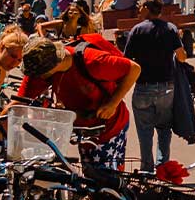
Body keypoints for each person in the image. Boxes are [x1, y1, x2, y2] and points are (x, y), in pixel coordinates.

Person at [15, 34, 141, 172]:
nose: (37, 78)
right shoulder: (40, 66)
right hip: (84, 130)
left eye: (40, 74)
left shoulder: (92, 61)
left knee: (106, 177)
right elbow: (18, 104)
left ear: (52, 67)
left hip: (110, 127)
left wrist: (112, 103)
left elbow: (134, 69)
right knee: (90, 174)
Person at [122, 0, 188, 171]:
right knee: (164, 128)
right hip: (166, 88)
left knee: (145, 131)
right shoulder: (170, 29)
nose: (138, 10)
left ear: (146, 8)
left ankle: (147, 168)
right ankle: (162, 166)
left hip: (143, 88)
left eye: (140, 6)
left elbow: (126, 61)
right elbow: (182, 57)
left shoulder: (137, 30)